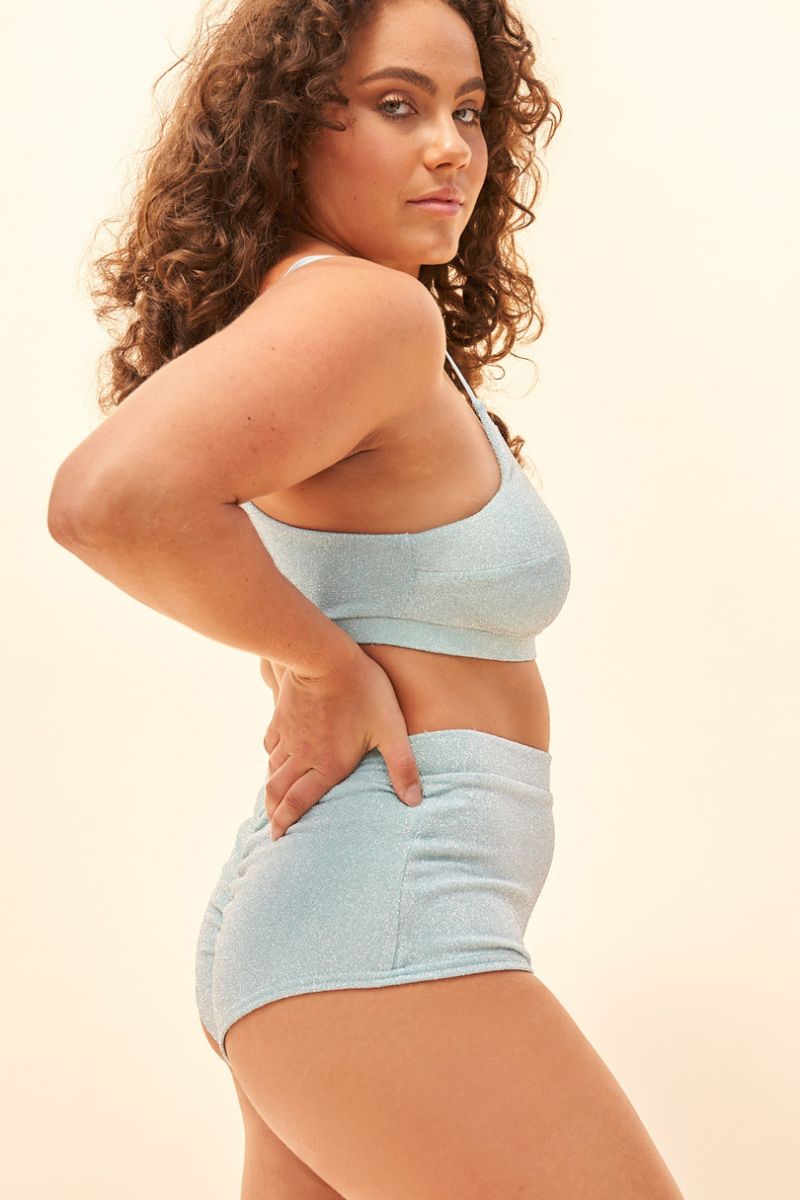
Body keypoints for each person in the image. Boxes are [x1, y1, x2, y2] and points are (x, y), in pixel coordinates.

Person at [47, 0, 686, 1196]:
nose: (451, 147)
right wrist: (321, 666)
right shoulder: (364, 309)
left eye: (469, 112)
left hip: (333, 933)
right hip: (385, 927)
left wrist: (307, 656)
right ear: (288, 125)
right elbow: (107, 501)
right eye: (398, 105)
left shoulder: (329, 313)